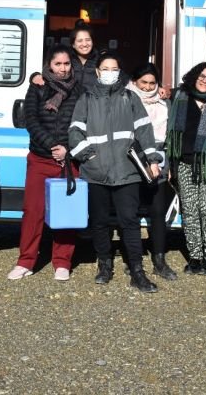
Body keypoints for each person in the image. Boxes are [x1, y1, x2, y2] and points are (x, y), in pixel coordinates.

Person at [69, 52, 162, 293]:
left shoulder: (130, 97)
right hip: (96, 173)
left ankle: (137, 271)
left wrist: (152, 159)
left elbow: (144, 131)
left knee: (129, 222)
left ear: (119, 72)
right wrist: (88, 156)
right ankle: (105, 264)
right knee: (99, 222)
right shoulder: (86, 99)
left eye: (114, 68)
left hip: (126, 172)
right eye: (105, 68)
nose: (110, 72)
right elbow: (75, 131)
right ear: (98, 72)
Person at [7, 45, 82, 282]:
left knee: (66, 213)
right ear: (49, 65)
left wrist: (67, 149)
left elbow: (83, 123)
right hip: (40, 158)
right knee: (33, 211)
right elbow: (31, 120)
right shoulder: (38, 87)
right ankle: (26, 260)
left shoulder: (79, 90)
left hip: (68, 161)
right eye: (57, 64)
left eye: (67, 64)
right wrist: (53, 145)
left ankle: (62, 261)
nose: (62, 68)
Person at [166, 62, 206, 276]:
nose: (205, 80)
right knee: (190, 212)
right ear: (194, 76)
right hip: (184, 164)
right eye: (202, 75)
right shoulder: (180, 96)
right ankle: (195, 256)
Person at [126, 62, 177, 281]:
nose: (147, 87)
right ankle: (133, 259)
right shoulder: (125, 100)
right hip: (133, 160)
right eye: (143, 83)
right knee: (132, 214)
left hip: (160, 160)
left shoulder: (165, 102)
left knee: (158, 213)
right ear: (135, 82)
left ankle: (159, 260)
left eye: (152, 83)